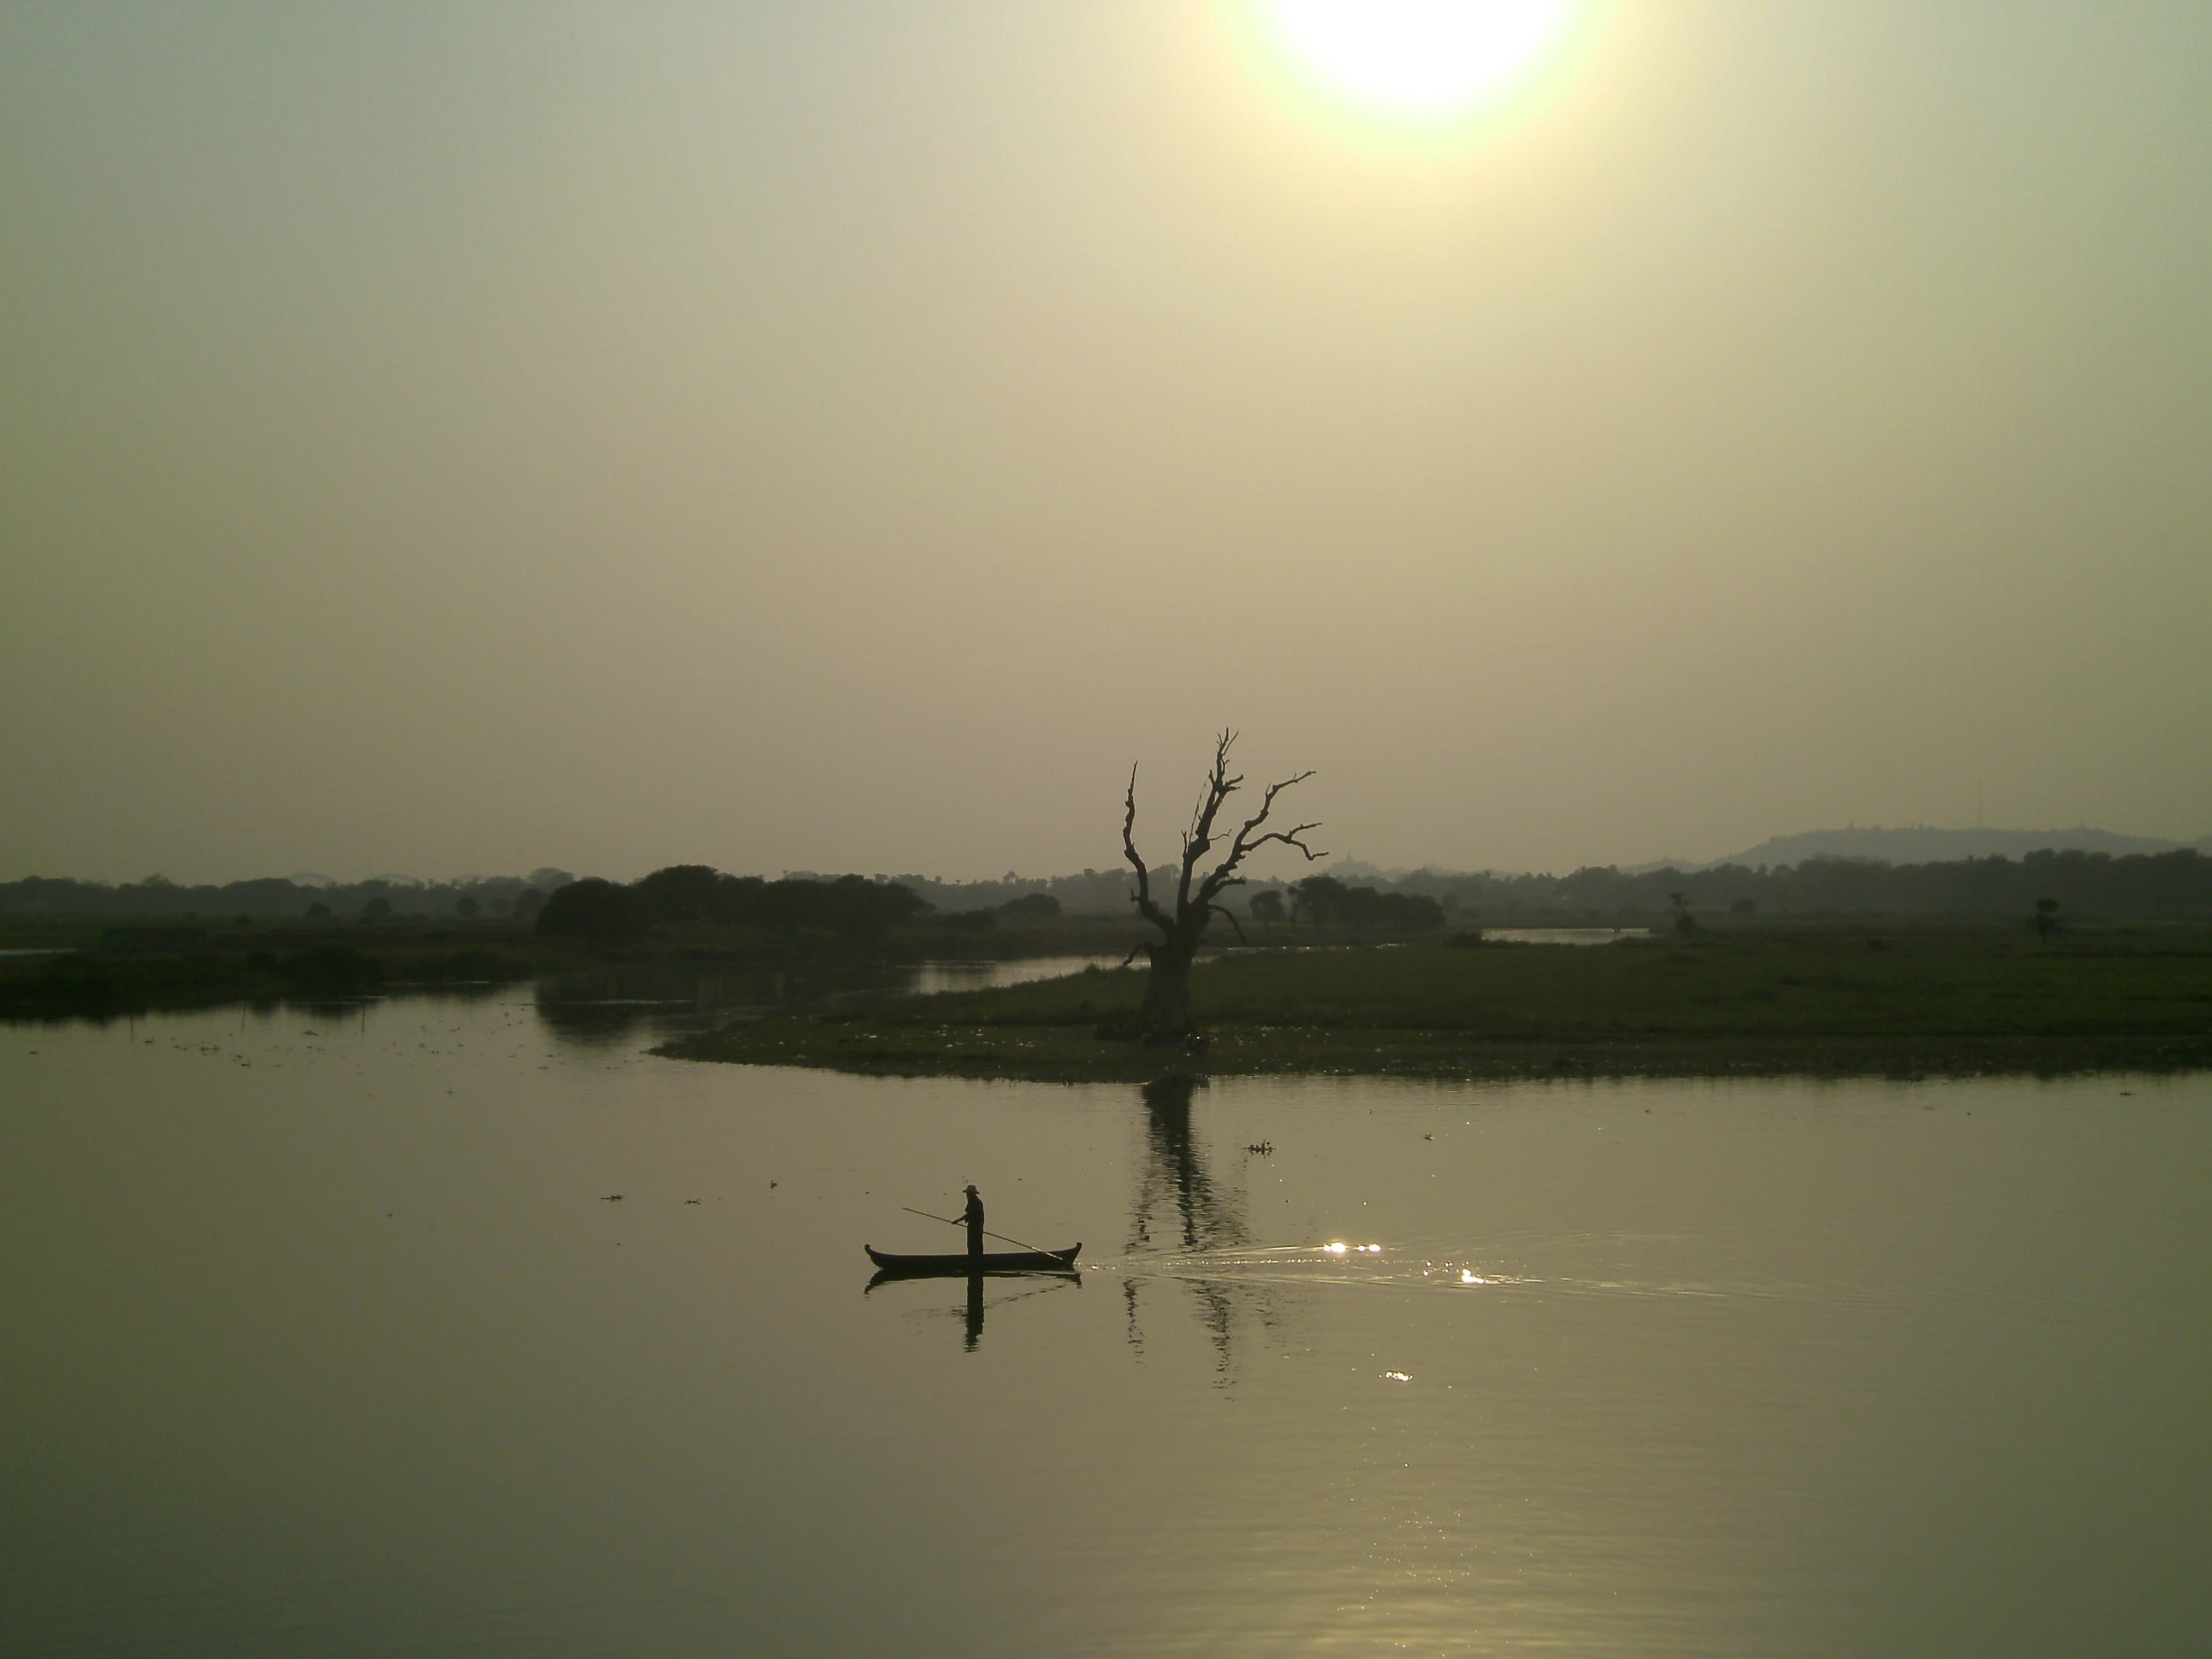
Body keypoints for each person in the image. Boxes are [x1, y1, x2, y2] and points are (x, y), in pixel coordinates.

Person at [957, 1184, 984, 1258]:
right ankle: (972, 1257)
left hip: (976, 1228)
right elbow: (968, 1214)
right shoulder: (971, 1202)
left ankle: (977, 1258)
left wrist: (957, 1220)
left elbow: (969, 1214)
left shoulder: (977, 1203)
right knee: (971, 1244)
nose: (967, 1196)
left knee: (976, 1244)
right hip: (971, 1227)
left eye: (968, 1194)